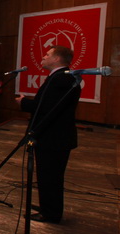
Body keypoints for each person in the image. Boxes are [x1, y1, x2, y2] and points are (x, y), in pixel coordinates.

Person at [15, 45, 81, 224]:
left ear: (57, 59)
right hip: (53, 137)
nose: (43, 57)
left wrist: (23, 103)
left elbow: (47, 108)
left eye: (47, 54)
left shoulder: (61, 79)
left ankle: (51, 213)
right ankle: (47, 207)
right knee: (46, 175)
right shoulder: (61, 77)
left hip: (53, 138)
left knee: (50, 177)